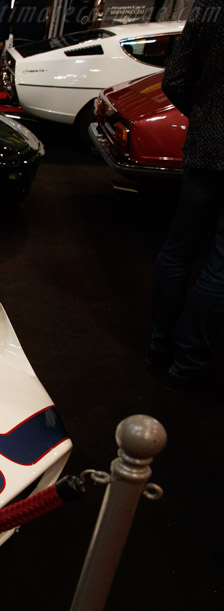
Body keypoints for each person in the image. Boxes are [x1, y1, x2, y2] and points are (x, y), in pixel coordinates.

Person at [149, 0, 224, 394]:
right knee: (219, 266)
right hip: (211, 141)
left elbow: (174, 79)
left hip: (207, 145)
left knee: (180, 249)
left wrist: (209, 116)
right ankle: (190, 362)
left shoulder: (210, 5)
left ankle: (161, 345)